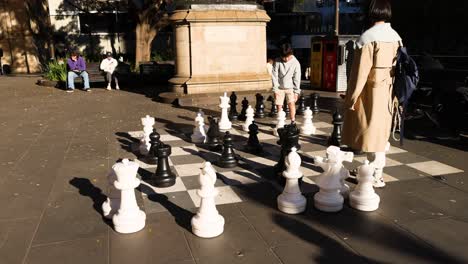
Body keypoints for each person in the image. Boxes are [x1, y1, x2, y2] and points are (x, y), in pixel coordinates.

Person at [342, 0, 402, 188]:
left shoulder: (368, 37)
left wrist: (351, 98)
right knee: (380, 133)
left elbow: (359, 73)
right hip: (389, 90)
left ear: (371, 12)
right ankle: (374, 171)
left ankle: (372, 173)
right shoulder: (395, 36)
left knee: (370, 132)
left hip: (370, 92)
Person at [272, 43, 301, 123]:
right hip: (279, 87)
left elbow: (297, 78)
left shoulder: (296, 63)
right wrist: (275, 89)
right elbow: (274, 76)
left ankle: (293, 121)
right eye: (283, 57)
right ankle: (280, 121)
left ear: (291, 54)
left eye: (287, 57)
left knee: (291, 104)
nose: (285, 59)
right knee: (279, 105)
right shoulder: (277, 61)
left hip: (290, 88)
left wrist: (296, 92)